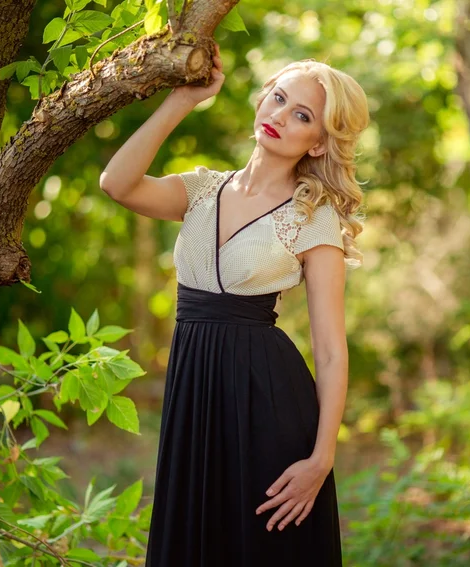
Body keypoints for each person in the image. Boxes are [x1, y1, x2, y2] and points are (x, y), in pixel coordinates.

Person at [100, 43, 369, 567]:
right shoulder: (202, 190)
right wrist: (182, 101)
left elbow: (332, 352)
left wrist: (321, 458)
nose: (279, 116)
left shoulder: (314, 220)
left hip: (267, 400)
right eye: (278, 97)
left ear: (318, 143)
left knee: (261, 547)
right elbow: (117, 184)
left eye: (302, 116)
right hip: (193, 391)